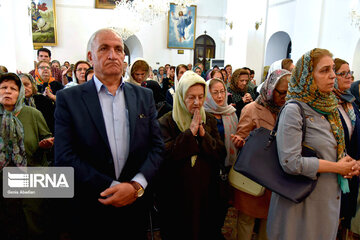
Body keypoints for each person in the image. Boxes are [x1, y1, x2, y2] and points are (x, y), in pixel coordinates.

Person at [54, 28, 164, 239]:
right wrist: (112, 187)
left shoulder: (144, 96)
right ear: (90, 56)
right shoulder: (69, 99)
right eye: (104, 48)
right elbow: (64, 156)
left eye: (118, 49)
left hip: (135, 204)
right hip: (91, 204)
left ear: (124, 57)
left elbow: (157, 147)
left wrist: (136, 185)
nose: (112, 55)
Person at [267, 48, 359, 240]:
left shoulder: (330, 108)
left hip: (326, 201)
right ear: (307, 76)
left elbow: (331, 149)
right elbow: (291, 162)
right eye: (324, 70)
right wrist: (336, 167)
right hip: (301, 204)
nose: (333, 75)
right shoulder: (294, 109)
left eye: (332, 69)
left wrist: (347, 162)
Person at [158, 71, 226, 240]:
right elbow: (165, 157)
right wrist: (189, 133)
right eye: (191, 97)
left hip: (205, 191)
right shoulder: (166, 122)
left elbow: (220, 152)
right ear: (181, 97)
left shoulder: (208, 120)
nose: (197, 103)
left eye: (201, 97)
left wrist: (204, 135)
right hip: (177, 194)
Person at [230, 69, 291, 240]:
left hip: (275, 177)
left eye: (289, 92)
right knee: (246, 221)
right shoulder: (251, 109)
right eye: (282, 92)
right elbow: (241, 137)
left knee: (269, 221)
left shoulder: (288, 110)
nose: (285, 97)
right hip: (253, 176)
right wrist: (240, 142)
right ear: (271, 89)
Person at [0, 72, 53, 239]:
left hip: (32, 177)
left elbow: (46, 137)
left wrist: (46, 143)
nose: (7, 92)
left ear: (20, 92)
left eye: (13, 89)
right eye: (3, 88)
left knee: (34, 225)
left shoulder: (32, 114)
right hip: (2, 181)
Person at [203, 77, 238, 238]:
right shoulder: (203, 113)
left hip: (227, 166)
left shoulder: (231, 113)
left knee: (223, 203)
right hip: (208, 166)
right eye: (215, 92)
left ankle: (217, 230)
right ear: (208, 94)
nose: (220, 96)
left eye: (222, 91)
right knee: (208, 203)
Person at [333, 58, 360, 238]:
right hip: (336, 168)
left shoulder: (350, 102)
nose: (349, 76)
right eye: (343, 73)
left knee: (345, 215)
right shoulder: (327, 104)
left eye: (350, 72)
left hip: (353, 168)